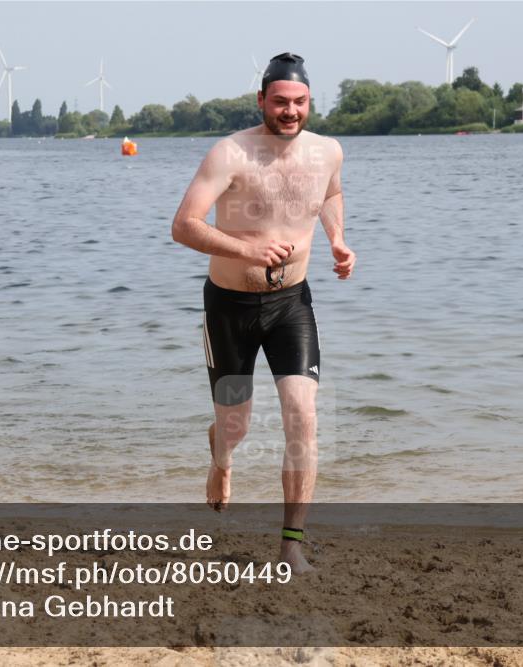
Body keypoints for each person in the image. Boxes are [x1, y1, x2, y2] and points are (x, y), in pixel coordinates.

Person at [171, 53, 355, 573]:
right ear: (261, 101)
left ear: (309, 101)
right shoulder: (230, 153)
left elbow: (331, 195)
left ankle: (290, 546)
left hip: (291, 305)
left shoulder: (328, 152)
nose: (290, 111)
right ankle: (221, 461)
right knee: (236, 425)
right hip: (228, 307)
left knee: (304, 418)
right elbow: (183, 226)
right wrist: (246, 250)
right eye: (280, 102)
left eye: (299, 102)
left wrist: (339, 240)